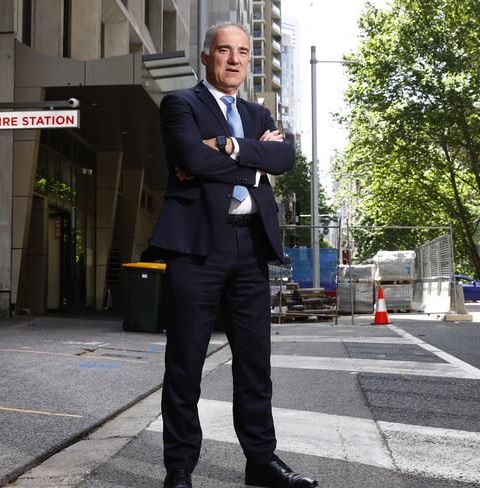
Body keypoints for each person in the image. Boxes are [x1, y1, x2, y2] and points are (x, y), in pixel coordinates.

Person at [149, 22, 318, 488]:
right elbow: (190, 157)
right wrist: (251, 160)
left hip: (250, 247)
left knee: (254, 364)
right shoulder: (180, 104)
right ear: (206, 56)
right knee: (186, 363)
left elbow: (284, 160)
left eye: (243, 51)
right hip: (198, 247)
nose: (235, 59)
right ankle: (179, 469)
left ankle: (260, 462)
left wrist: (225, 146)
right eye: (224, 50)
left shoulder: (258, 114)